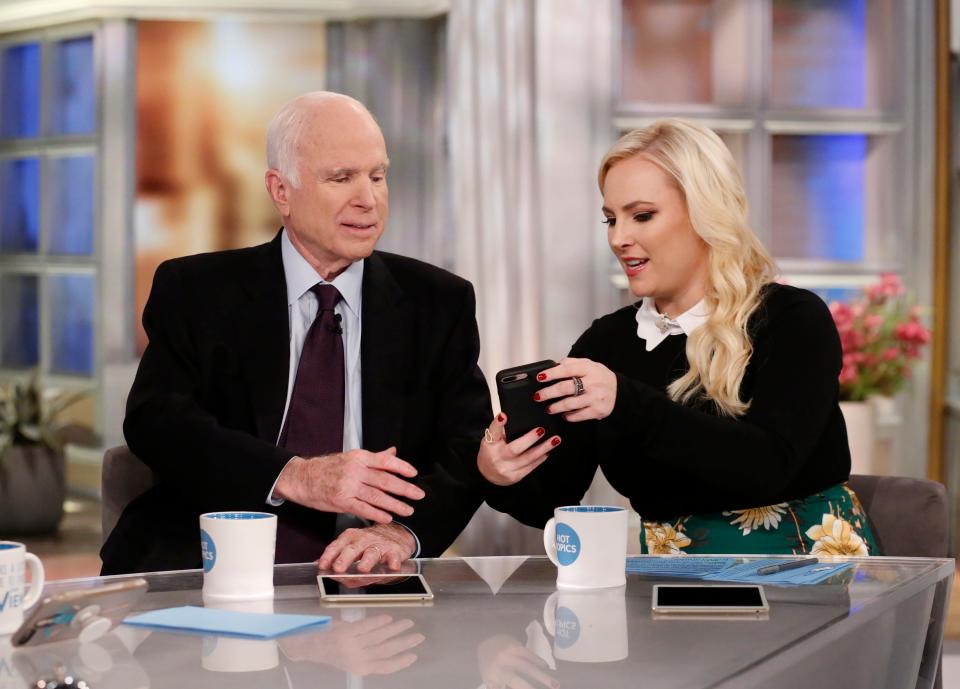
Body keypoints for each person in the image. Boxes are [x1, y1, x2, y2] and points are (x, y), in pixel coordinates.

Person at [101, 91, 491, 575]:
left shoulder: (438, 302)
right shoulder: (196, 290)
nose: (367, 199)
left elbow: (466, 449)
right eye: (341, 178)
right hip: (207, 558)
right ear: (281, 190)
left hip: (362, 573)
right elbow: (157, 421)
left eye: (377, 176)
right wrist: (293, 475)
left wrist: (401, 533)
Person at [476, 119, 878, 556]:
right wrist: (498, 472)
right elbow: (551, 499)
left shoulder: (792, 318)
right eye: (611, 219)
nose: (618, 238)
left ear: (705, 211)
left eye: (642, 215)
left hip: (807, 568)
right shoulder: (606, 342)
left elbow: (768, 466)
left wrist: (624, 402)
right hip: (670, 583)